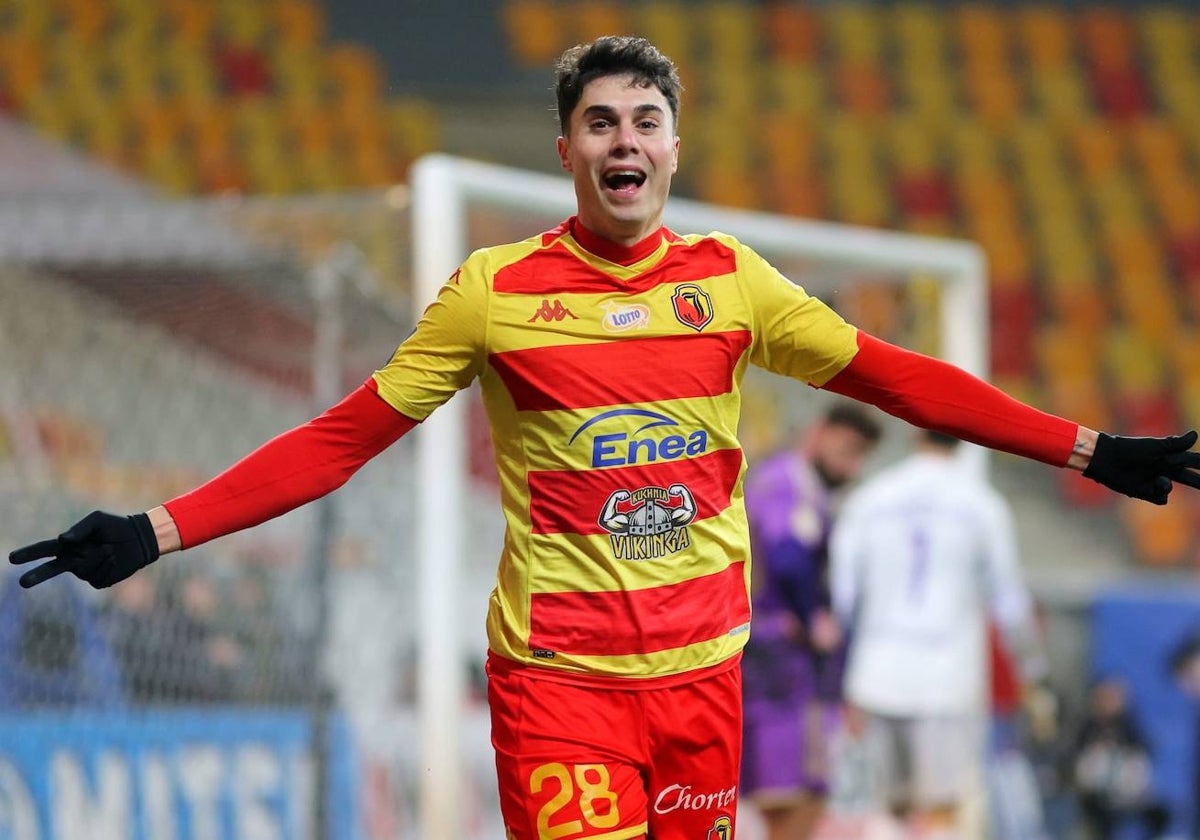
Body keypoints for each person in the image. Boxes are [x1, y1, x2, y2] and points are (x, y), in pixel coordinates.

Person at [8, 36, 1200, 840]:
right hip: (561, 685)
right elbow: (341, 436)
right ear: (567, 151)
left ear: (674, 147)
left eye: (646, 120)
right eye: (598, 122)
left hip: (701, 683)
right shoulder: (494, 290)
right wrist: (161, 529)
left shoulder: (733, 285)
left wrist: (1091, 450)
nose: (624, 140)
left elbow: (903, 381)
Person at [829, 430, 1052, 840]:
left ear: (913, 432)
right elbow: (1009, 601)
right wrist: (1034, 670)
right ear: (964, 439)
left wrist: (840, 670)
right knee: (942, 811)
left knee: (885, 808)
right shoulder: (982, 506)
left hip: (876, 674)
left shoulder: (871, 499)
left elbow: (842, 596)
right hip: (947, 681)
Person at [740, 403, 881, 840]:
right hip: (780, 662)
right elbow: (787, 555)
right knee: (794, 793)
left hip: (768, 657)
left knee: (793, 792)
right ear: (819, 432)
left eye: (861, 456)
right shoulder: (788, 485)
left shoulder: (775, 479)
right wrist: (813, 616)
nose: (852, 467)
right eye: (848, 450)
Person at [1071, 677, 1170, 840]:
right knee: (1098, 817)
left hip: (1129, 791)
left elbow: (1145, 750)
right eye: (1105, 697)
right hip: (1097, 794)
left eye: (1115, 697)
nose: (1110, 702)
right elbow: (1075, 756)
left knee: (1160, 813)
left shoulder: (1130, 724)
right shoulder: (1087, 726)